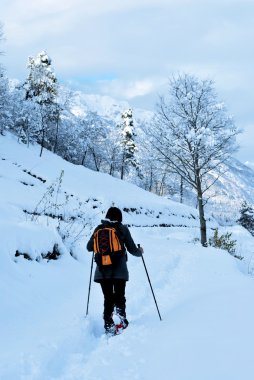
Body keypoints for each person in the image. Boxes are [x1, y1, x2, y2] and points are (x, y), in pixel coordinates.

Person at [87, 206, 144, 335]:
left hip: (102, 271)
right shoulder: (122, 229)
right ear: (119, 217)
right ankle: (121, 320)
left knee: (108, 297)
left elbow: (89, 247)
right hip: (119, 271)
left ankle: (108, 324)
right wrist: (140, 252)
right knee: (119, 296)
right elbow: (132, 249)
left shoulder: (98, 229)